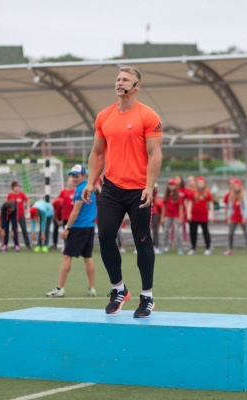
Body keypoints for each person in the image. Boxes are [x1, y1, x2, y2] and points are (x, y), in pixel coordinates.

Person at [82, 66, 163, 318]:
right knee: (105, 235)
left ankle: (147, 296)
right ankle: (119, 289)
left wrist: (149, 186)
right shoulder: (104, 116)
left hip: (139, 190)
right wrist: (90, 182)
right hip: (112, 187)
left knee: (142, 240)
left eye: (126, 79)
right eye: (118, 79)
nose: (120, 82)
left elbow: (155, 154)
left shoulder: (149, 116)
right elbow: (97, 152)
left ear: (137, 86)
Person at [46, 165, 97, 298]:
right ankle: (92, 288)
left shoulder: (80, 190)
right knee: (88, 257)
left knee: (67, 256)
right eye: (73, 176)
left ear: (83, 176)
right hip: (90, 227)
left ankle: (59, 288)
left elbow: (76, 210)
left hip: (79, 227)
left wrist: (67, 228)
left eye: (77, 176)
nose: (74, 178)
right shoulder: (90, 188)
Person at [223, 179, 247, 256]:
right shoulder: (231, 196)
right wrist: (229, 217)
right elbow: (230, 207)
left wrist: (245, 217)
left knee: (246, 233)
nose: (236, 187)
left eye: (238, 186)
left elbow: (245, 208)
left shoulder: (243, 196)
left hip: (241, 217)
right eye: (235, 186)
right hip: (234, 217)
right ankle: (230, 249)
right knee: (230, 233)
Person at [186, 176, 214, 255]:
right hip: (194, 216)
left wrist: (211, 214)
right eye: (199, 183)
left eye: (201, 183)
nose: (200, 184)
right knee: (193, 232)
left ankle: (208, 247)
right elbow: (190, 203)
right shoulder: (192, 193)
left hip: (204, 216)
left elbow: (210, 204)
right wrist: (188, 213)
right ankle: (193, 248)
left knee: (205, 232)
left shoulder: (207, 193)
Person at [161, 179, 184, 254]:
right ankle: (164, 247)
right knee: (165, 231)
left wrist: (180, 217)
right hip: (168, 215)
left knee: (177, 232)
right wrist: (162, 217)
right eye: (170, 185)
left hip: (176, 216)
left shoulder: (178, 196)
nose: (171, 186)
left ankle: (180, 248)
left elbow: (181, 207)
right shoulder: (166, 195)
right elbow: (164, 207)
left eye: (173, 185)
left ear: (175, 186)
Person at [7, 181, 30, 249]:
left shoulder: (21, 194)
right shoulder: (10, 195)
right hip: (13, 216)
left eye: (17, 186)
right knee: (14, 230)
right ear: (12, 188)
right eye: (15, 187)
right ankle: (16, 244)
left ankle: (28, 244)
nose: (17, 188)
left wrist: (28, 208)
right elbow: (7, 204)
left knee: (24, 229)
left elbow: (27, 200)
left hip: (21, 215)